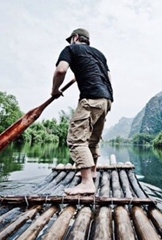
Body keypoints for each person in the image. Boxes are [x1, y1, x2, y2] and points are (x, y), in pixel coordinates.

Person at [51, 28, 113, 195]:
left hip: (91, 98)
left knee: (76, 140)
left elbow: (61, 70)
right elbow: (107, 77)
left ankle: (86, 183)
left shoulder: (71, 49)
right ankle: (92, 172)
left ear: (76, 37)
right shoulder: (99, 54)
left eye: (71, 39)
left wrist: (55, 90)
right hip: (106, 99)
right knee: (93, 139)